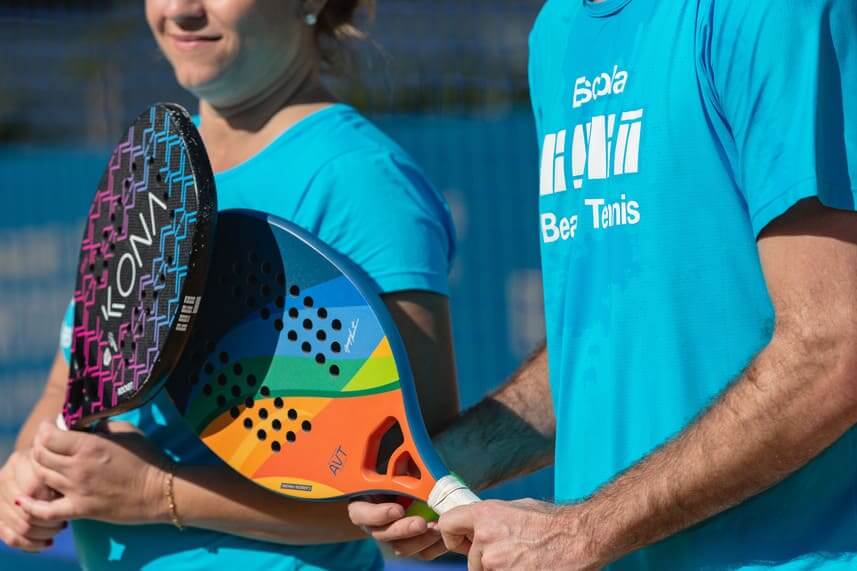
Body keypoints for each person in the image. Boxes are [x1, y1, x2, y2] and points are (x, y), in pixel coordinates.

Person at [349, 0, 857, 568]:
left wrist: (585, 530)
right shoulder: (557, 34)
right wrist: (443, 463)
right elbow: (597, 352)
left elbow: (835, 348)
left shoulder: (769, 12)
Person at [0, 1, 460, 569]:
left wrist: (156, 493)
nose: (180, 10)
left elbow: (411, 492)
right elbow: (64, 386)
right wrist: (28, 465)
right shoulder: (157, 165)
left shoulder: (362, 179)